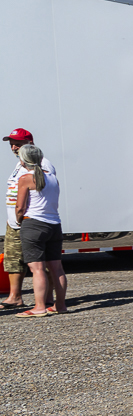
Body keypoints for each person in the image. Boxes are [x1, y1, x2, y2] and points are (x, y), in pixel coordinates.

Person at [4, 128, 56, 310]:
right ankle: (14, 297)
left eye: (18, 143)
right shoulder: (20, 164)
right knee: (13, 259)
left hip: (29, 219)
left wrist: (22, 214)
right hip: (15, 221)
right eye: (11, 143)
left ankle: (47, 299)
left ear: (30, 144)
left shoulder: (43, 164)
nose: (13, 146)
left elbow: (44, 190)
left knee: (41, 262)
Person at [13, 144, 66, 317]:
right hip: (54, 224)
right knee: (57, 268)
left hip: (33, 224)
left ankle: (39, 307)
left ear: (23, 160)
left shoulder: (25, 179)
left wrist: (20, 221)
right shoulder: (53, 178)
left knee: (37, 269)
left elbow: (20, 207)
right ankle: (60, 305)